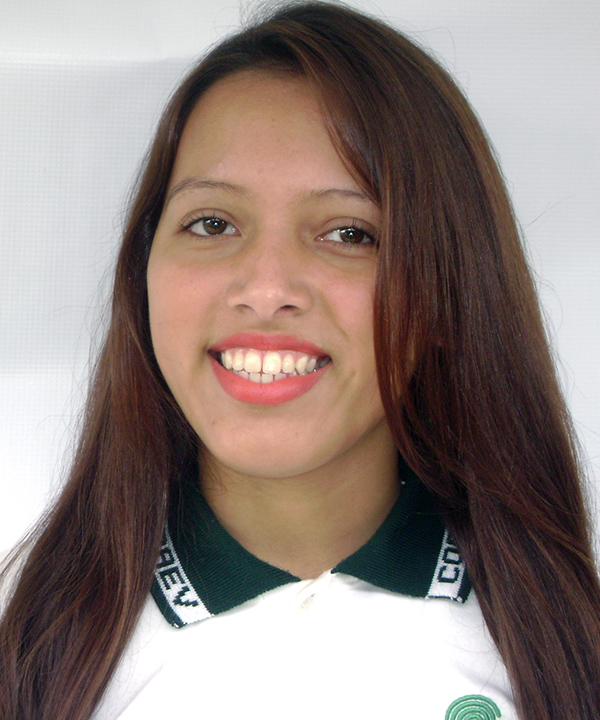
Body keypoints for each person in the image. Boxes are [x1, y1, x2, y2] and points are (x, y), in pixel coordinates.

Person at [1, 2, 599, 718]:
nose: (265, 289)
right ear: (143, 270)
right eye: (212, 223)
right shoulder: (39, 647)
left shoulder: (557, 647)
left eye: (348, 233)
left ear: (447, 292)